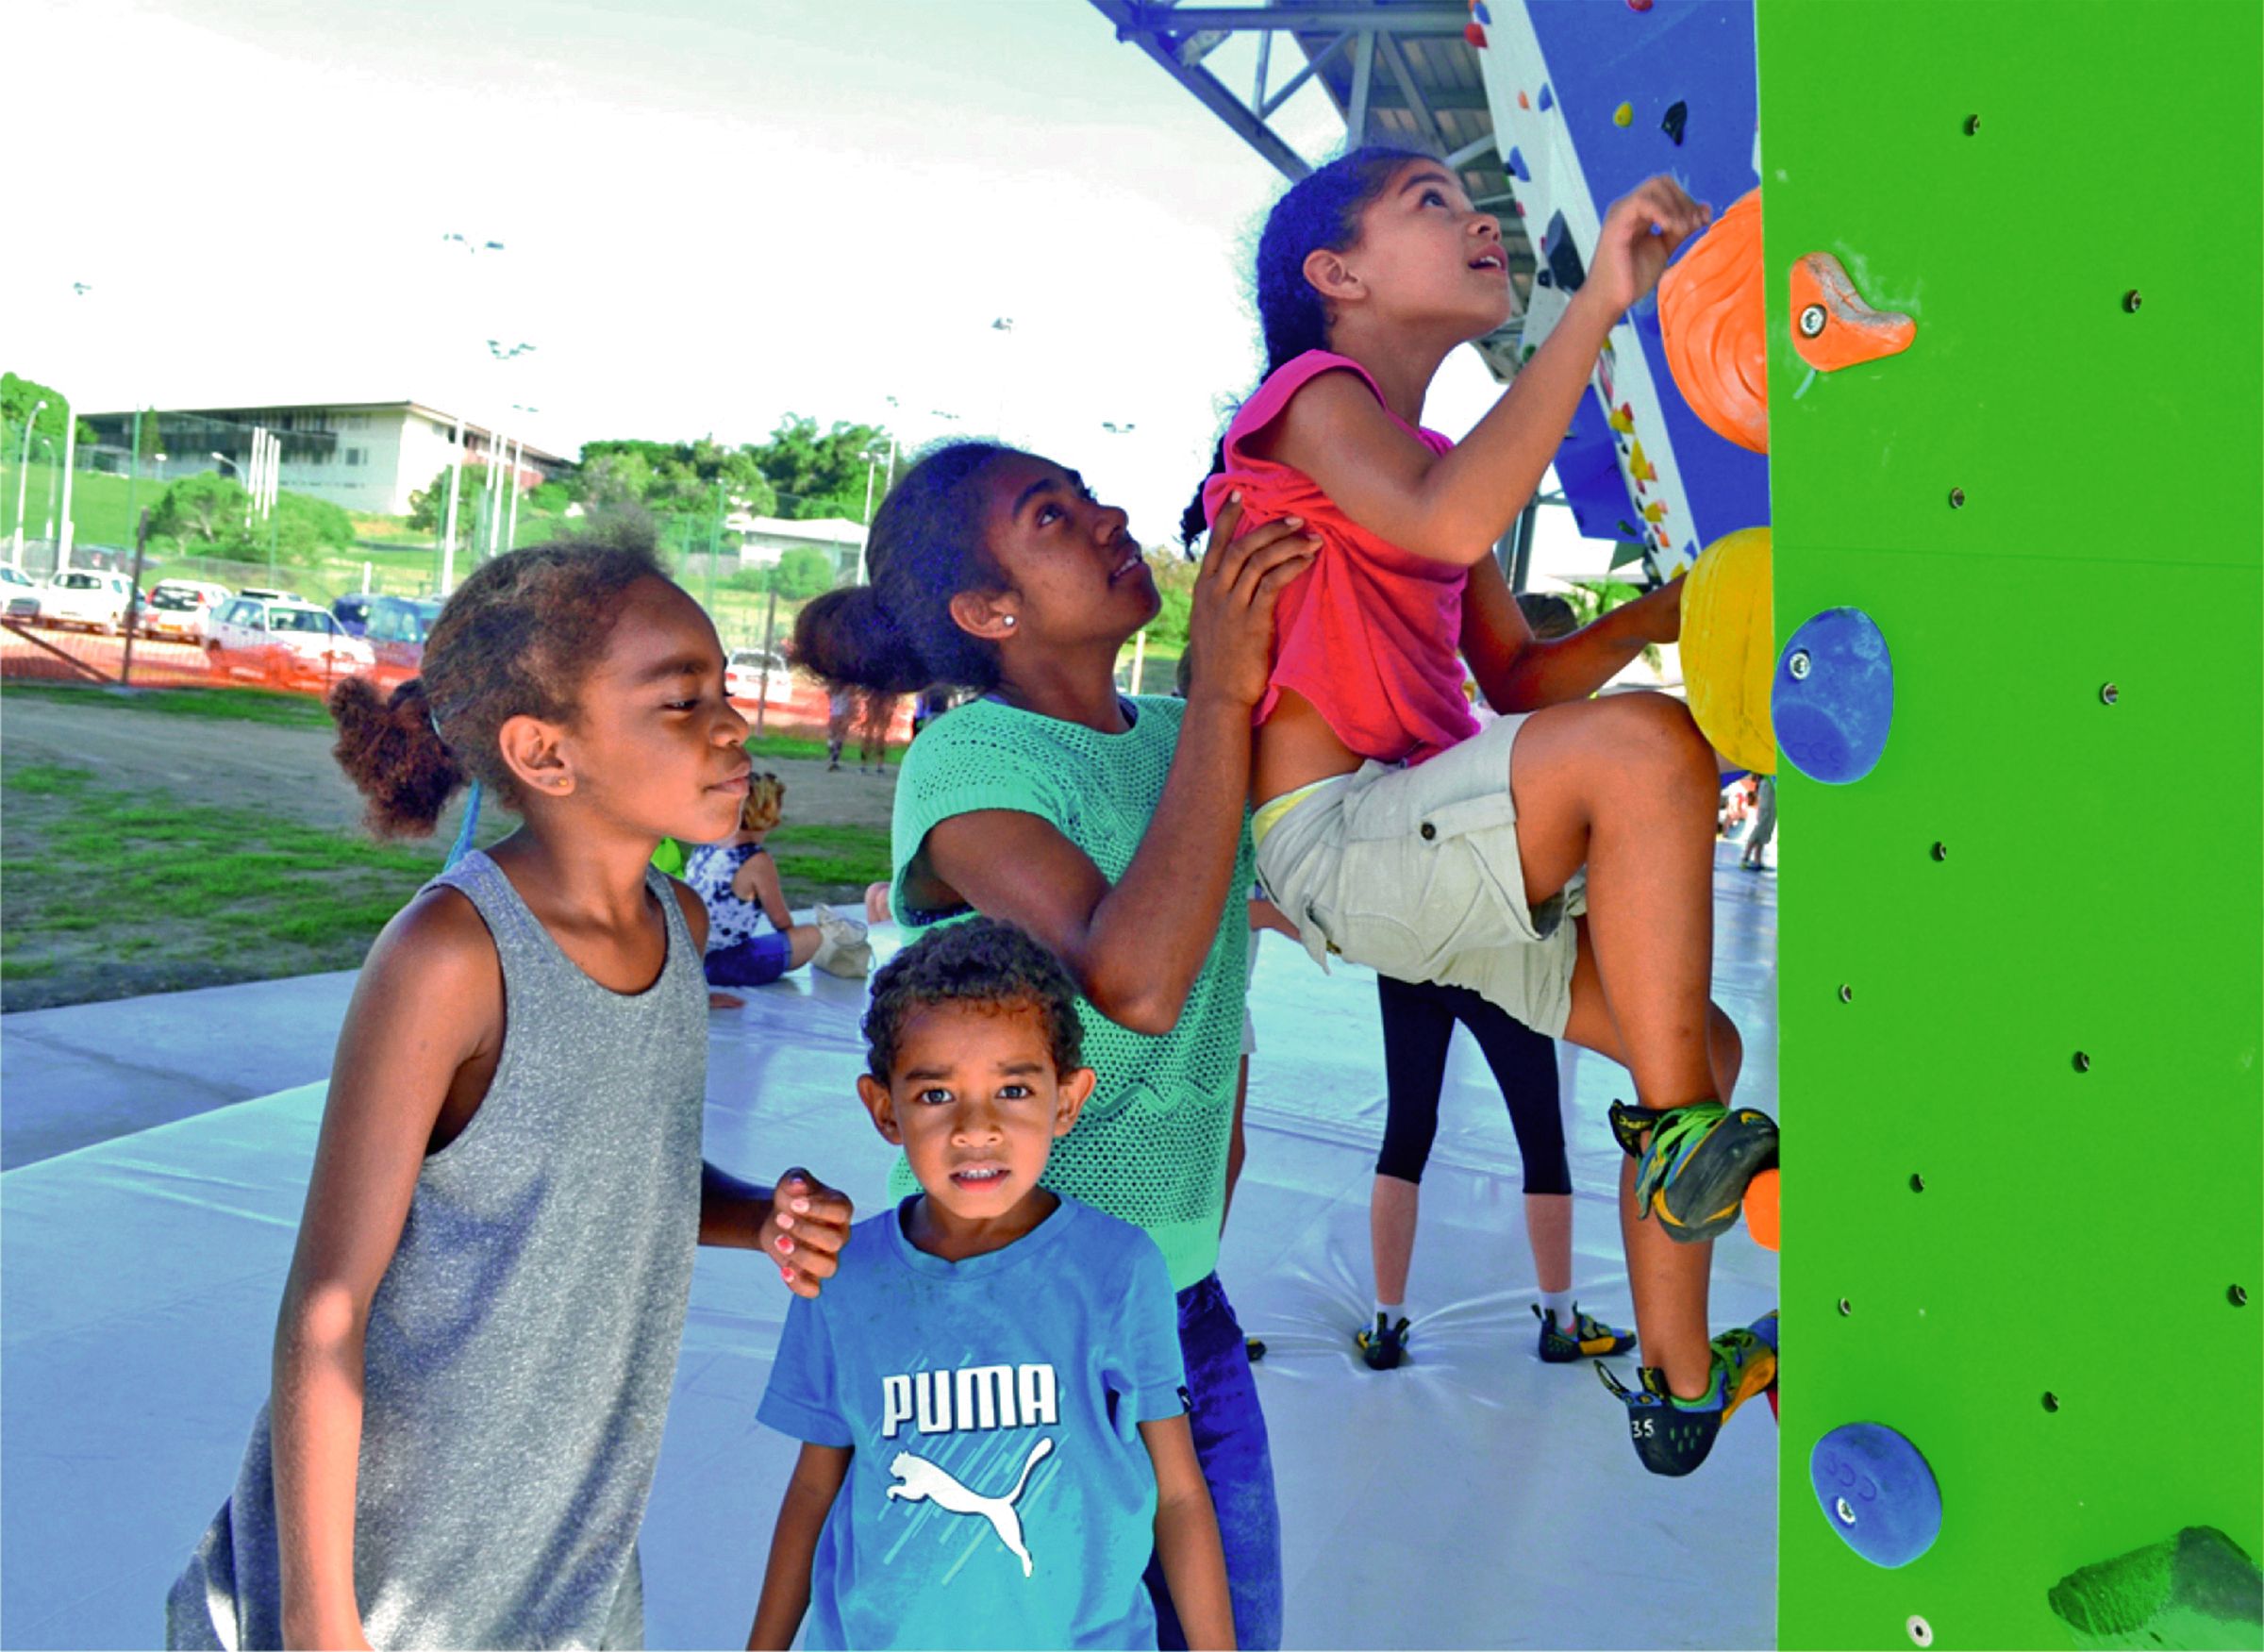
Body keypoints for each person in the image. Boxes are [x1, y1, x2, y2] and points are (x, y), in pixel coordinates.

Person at [1190, 147, 1775, 1475]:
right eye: (1431, 205)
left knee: (1699, 1043)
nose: (1478, 218)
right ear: (1335, 279)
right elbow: (1450, 528)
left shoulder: (1428, 459)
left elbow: (1514, 674)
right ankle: (1679, 1136)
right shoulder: (1311, 401)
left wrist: (1673, 607)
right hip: (1343, 829)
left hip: (1420, 850)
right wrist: (1595, 309)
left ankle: (1679, 1383)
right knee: (1645, 751)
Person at [164, 538, 855, 1651]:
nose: (735, 725)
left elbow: (622, 1173)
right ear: (544, 750)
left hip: (565, 1566)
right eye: (683, 699)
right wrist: (320, 1620)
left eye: (725, 687)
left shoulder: (678, 930)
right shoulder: (450, 953)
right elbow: (328, 1303)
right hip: (384, 1579)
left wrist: (754, 1212)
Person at [793, 443, 1316, 1649]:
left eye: (1086, 494)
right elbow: (1128, 979)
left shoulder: (1187, 731)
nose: (1107, 516)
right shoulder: (971, 761)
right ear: (989, 609)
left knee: (1225, 1625)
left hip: (1173, 1298)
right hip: (1006, 1317)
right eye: (1053, 515)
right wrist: (1229, 699)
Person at [747, 918, 1234, 1651]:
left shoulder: (1118, 1268)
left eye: (1012, 1087)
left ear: (1066, 1100)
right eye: (938, 1094)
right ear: (885, 1109)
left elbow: (1179, 1490)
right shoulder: (842, 1272)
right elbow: (815, 1486)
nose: (977, 1128)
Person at [1355, 976, 1636, 1373]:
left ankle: (1385, 1323)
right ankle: (1561, 1322)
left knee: (1405, 1134)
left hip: (1410, 952)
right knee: (1541, 1138)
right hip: (1496, 957)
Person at [685, 771, 872, 997]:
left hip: (690, 958)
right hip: (723, 964)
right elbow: (781, 920)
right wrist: (797, 940)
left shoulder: (706, 847)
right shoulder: (755, 859)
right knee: (811, 935)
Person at [857, 685, 901, 774]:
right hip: (874, 713)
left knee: (879, 738)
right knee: (870, 738)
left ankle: (877, 765)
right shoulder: (874, 690)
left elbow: (893, 701)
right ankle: (866, 765)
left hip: (880, 713)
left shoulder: (886, 691)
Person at [1741, 775, 1777, 871]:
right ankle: (1746, 857)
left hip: (1772, 785)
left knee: (1766, 826)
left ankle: (1757, 860)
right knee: (1763, 824)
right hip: (1769, 783)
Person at [824, 681, 855, 771]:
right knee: (840, 737)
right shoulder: (848, 689)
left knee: (832, 736)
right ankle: (835, 759)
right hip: (843, 715)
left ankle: (833, 758)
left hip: (834, 714)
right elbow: (852, 700)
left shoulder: (833, 689)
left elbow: (829, 694)